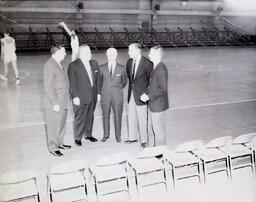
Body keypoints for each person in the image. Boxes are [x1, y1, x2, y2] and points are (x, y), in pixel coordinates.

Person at [68, 45, 100, 146]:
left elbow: (98, 80)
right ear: (81, 53)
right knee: (80, 117)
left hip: (93, 95)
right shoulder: (73, 65)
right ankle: (78, 137)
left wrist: (98, 93)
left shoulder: (94, 63)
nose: (90, 54)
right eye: (87, 52)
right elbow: (72, 83)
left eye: (90, 51)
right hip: (80, 97)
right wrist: (75, 96)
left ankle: (88, 134)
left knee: (90, 116)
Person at [43, 45, 71, 157]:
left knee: (61, 123)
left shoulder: (58, 63)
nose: (65, 53)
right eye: (63, 51)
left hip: (63, 99)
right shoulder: (50, 65)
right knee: (53, 125)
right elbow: (48, 86)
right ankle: (53, 147)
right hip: (55, 102)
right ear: (56, 52)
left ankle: (60, 143)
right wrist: (54, 102)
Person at [140, 46, 169, 146]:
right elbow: (154, 86)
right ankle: (156, 149)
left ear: (156, 55)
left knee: (158, 130)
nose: (148, 55)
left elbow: (162, 89)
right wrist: (147, 94)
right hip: (155, 104)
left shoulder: (161, 69)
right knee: (155, 128)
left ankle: (160, 153)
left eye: (151, 53)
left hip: (158, 105)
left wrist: (149, 96)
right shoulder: (156, 66)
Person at [125, 43, 153, 148]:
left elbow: (151, 80)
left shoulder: (147, 63)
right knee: (131, 115)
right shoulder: (129, 62)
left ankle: (144, 140)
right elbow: (130, 78)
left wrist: (147, 93)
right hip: (131, 93)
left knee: (142, 118)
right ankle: (132, 137)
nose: (128, 52)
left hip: (142, 95)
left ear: (137, 51)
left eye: (130, 50)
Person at [99, 47, 127, 143]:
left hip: (117, 96)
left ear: (116, 55)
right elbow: (99, 82)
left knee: (118, 115)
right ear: (107, 55)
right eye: (109, 54)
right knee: (105, 115)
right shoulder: (101, 67)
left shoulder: (122, 68)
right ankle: (106, 135)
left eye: (113, 54)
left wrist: (117, 89)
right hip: (105, 95)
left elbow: (124, 82)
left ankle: (118, 136)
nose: (111, 56)